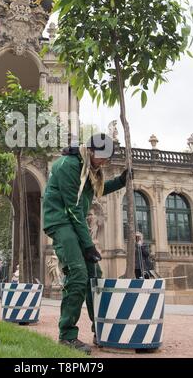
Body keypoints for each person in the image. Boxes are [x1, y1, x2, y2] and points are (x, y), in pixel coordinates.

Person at [43, 133, 133, 354]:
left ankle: (100, 328)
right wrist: (89, 245)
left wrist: (122, 180)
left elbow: (98, 190)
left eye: (107, 159)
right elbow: (73, 209)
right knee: (78, 273)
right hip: (61, 221)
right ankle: (66, 335)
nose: (104, 162)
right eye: (103, 157)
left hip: (74, 223)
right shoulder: (68, 165)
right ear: (91, 150)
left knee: (94, 276)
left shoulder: (89, 169)